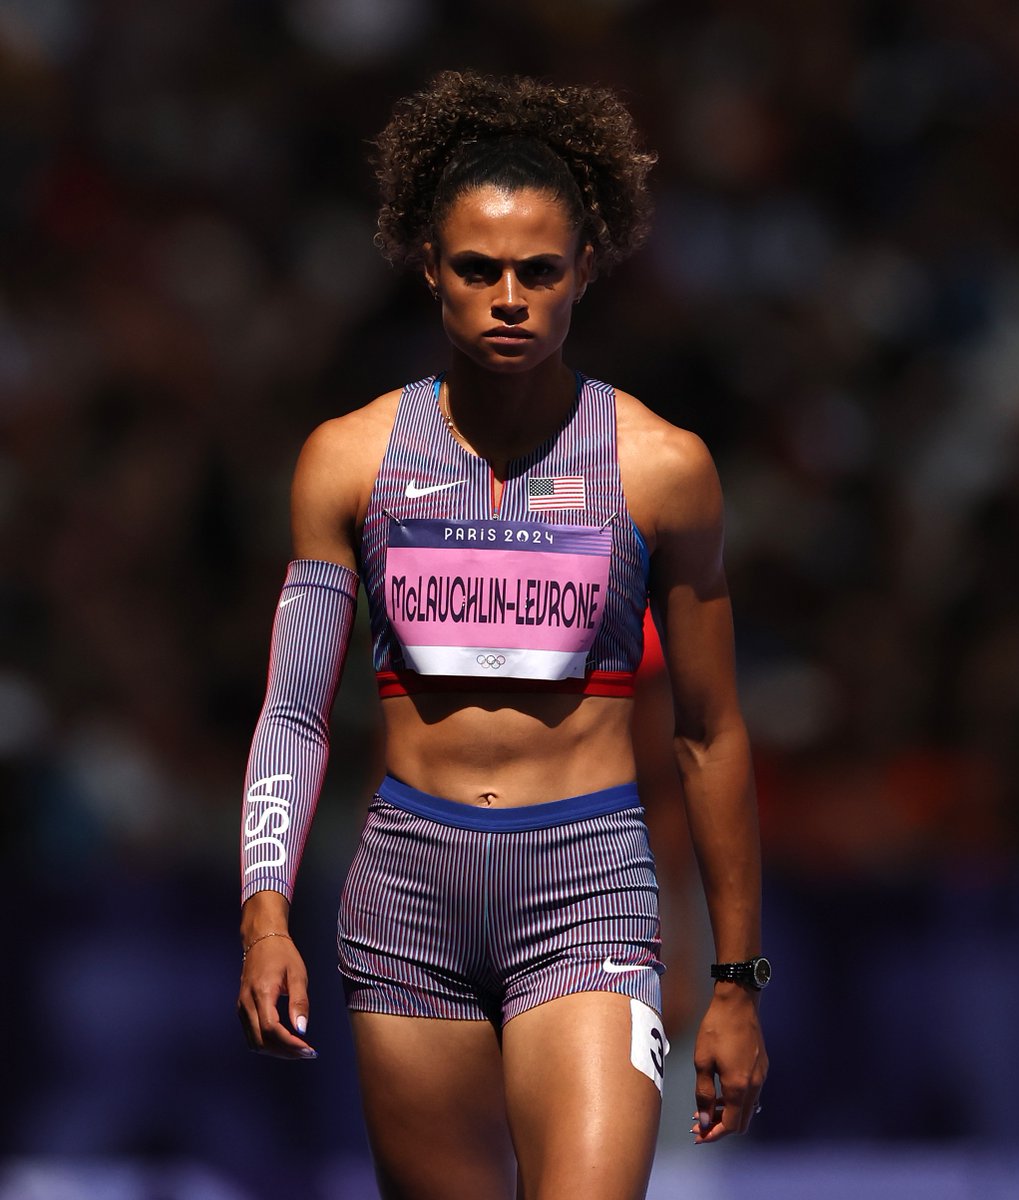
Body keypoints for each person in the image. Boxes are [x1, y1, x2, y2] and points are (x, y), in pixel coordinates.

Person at [236, 70, 768, 1200]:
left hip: (589, 888)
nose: (509, 298)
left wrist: (735, 979)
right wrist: (263, 914)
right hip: (406, 897)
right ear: (431, 268)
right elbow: (292, 708)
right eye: (478, 270)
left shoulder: (662, 468)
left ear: (587, 270)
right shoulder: (350, 460)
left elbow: (712, 733)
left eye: (539, 270)